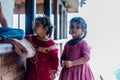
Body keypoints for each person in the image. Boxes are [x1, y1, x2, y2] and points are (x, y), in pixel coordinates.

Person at [25, 15, 59, 80]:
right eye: (34, 24)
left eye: (37, 24)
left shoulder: (51, 45)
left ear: (46, 28)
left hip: (45, 75)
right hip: (32, 73)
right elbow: (21, 39)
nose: (34, 27)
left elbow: (55, 60)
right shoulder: (30, 38)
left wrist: (53, 72)